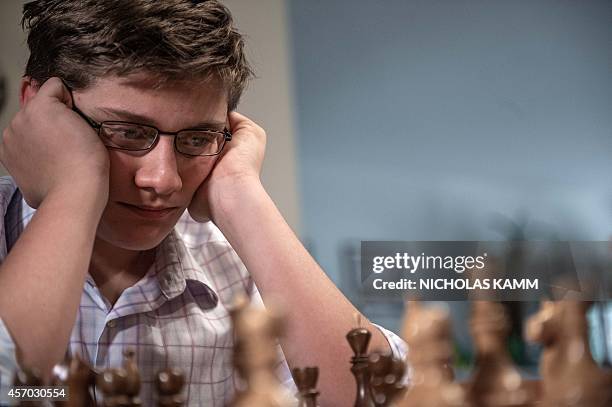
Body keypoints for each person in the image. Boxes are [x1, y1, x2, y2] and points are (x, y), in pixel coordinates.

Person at [0, 1, 407, 405]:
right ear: (39, 110)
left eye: (196, 139)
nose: (164, 180)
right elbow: (9, 388)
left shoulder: (242, 265)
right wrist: (74, 186)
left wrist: (242, 194)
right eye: (125, 132)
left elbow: (379, 398)